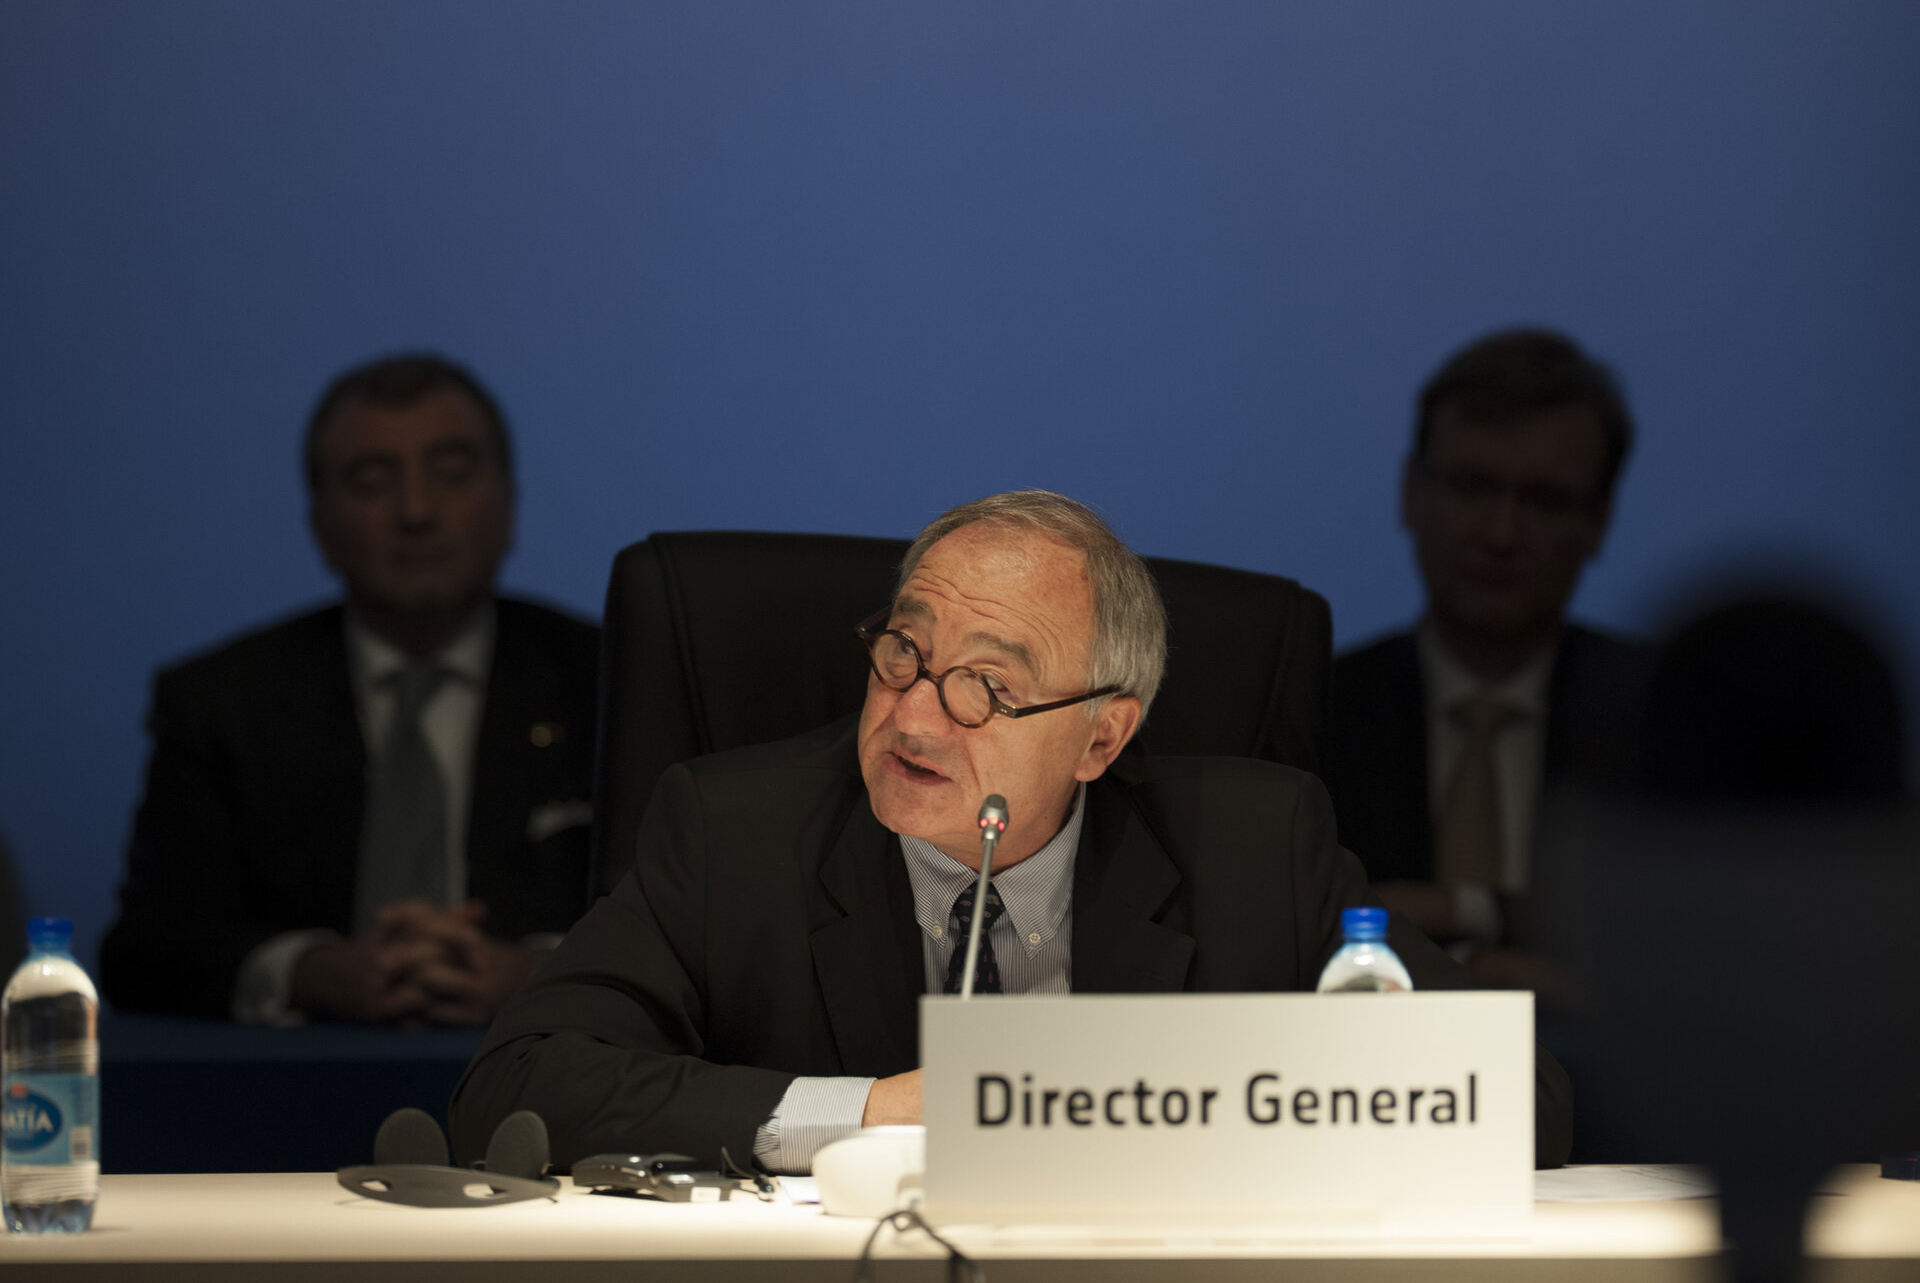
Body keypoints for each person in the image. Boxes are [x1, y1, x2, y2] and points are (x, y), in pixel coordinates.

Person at [451, 489, 1572, 1170]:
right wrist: (872, 1112)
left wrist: (1226, 1113)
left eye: (985, 685)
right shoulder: (737, 831)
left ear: (1099, 738)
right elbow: (519, 1081)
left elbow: (1521, 1093)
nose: (915, 710)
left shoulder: (1254, 848)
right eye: (905, 649)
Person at [101, 354, 600, 1025]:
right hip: (300, 1089)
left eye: (451, 474)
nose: (417, 511)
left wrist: (540, 974)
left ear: (508, 507)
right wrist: (308, 972)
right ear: (321, 527)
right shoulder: (222, 701)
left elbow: (693, 936)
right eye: (372, 481)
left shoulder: (608, 679)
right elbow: (146, 952)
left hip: (551, 1084)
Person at [1320, 330, 1652, 979]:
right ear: (1411, 491)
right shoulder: (1310, 713)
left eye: (1545, 500)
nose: (1502, 534)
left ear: (1598, 522)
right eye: (1474, 487)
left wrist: (1461, 910)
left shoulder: (1670, 718)